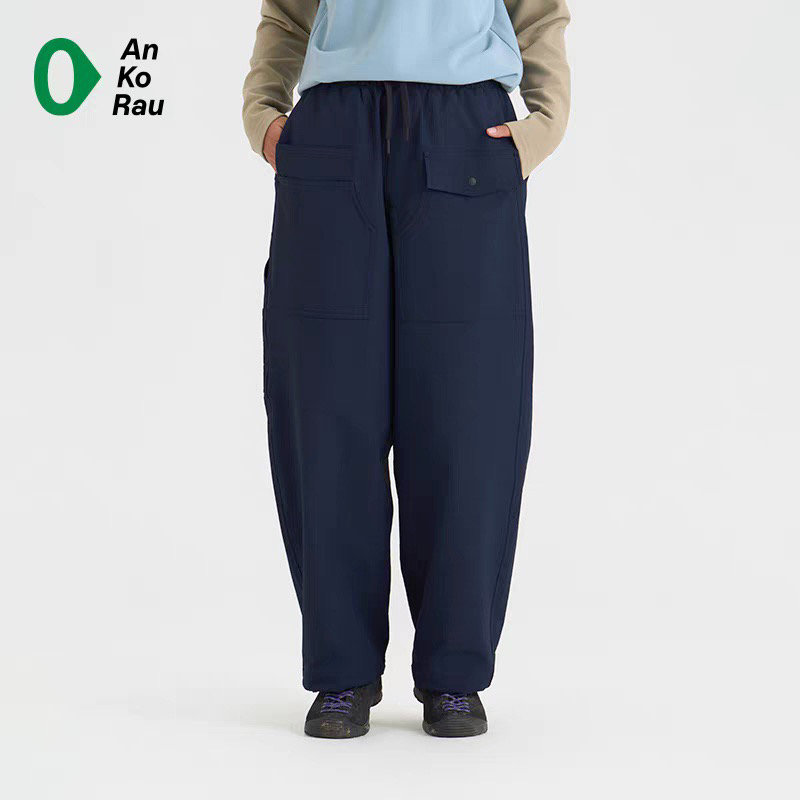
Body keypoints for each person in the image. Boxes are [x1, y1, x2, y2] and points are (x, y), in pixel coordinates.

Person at [242, 0, 570, 739]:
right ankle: (342, 671)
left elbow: (540, 12)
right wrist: (263, 115)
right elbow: (287, 15)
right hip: (334, 135)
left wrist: (542, 126)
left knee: (467, 414)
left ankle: (454, 674)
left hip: (466, 135)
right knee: (326, 411)